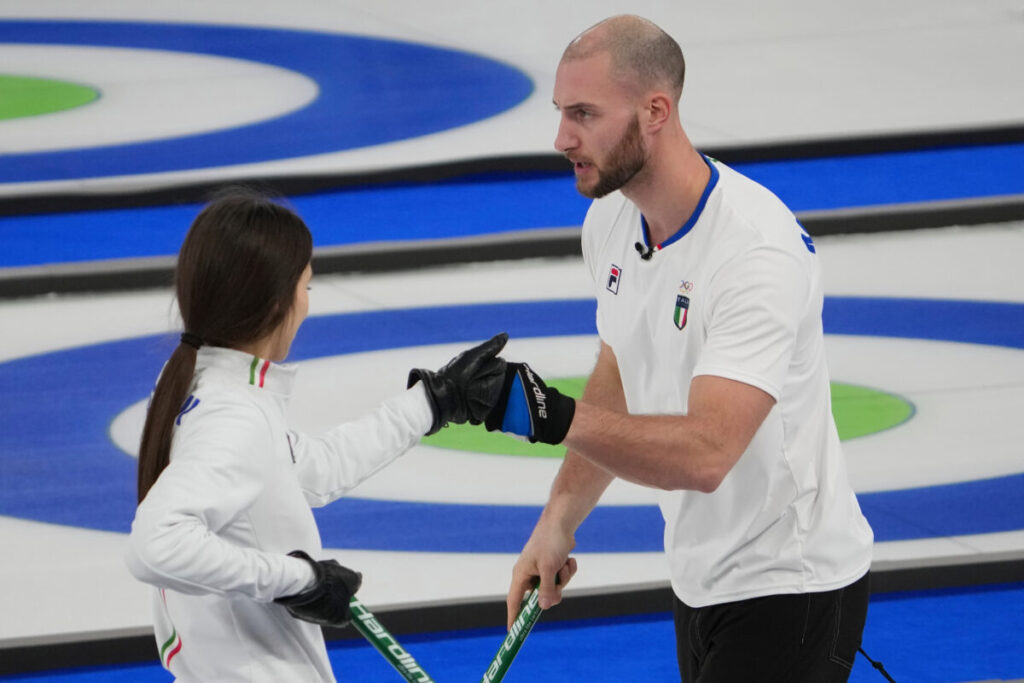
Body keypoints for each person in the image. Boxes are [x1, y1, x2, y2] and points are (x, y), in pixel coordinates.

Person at [482, 15, 874, 682]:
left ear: (656, 110)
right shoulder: (609, 219)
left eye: (583, 113)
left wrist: (549, 414)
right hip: (698, 579)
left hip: (790, 583)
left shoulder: (755, 253)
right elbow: (620, 366)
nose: (561, 137)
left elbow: (707, 452)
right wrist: (558, 518)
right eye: (560, 112)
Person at [125, 190, 507, 682]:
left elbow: (310, 471)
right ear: (276, 301)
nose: (308, 304)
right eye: (307, 286)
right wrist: (299, 579)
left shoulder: (196, 384)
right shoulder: (234, 416)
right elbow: (154, 546)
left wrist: (433, 403)